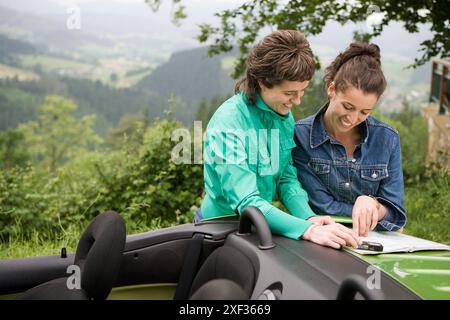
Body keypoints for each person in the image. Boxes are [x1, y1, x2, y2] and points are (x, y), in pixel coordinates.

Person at [196, 30, 361, 250]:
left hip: (259, 225)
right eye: (290, 93)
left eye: (302, 91)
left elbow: (285, 177)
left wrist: (308, 217)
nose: (297, 101)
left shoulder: (282, 115)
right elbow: (247, 203)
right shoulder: (229, 123)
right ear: (263, 82)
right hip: (219, 229)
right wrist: (308, 231)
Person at [292, 42, 407, 237]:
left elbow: (397, 216)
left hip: (377, 246)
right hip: (322, 239)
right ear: (331, 89)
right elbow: (322, 207)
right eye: (347, 106)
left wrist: (372, 204)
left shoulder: (387, 138)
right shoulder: (301, 136)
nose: (352, 119)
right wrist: (377, 214)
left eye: (364, 112)